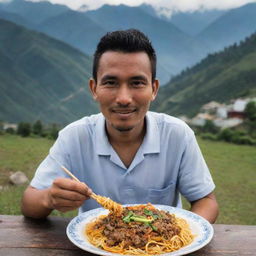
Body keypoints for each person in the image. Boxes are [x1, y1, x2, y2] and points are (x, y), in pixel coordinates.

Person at [21, 29, 219, 223]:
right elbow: (29, 203)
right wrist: (49, 198)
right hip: (96, 245)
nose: (124, 99)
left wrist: (181, 235)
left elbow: (206, 200)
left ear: (154, 89)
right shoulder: (74, 137)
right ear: (94, 88)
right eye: (111, 82)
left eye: (137, 83)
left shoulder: (177, 134)